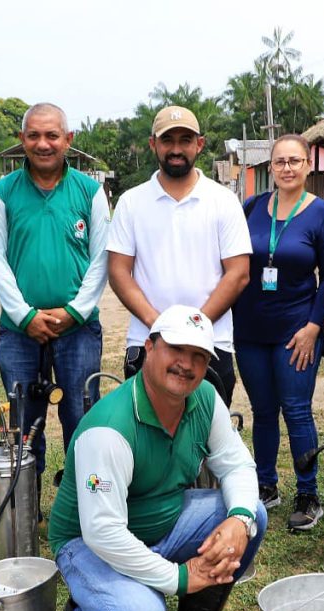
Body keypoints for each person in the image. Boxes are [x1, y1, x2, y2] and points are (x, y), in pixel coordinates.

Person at [48, 305, 267, 611]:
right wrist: (179, 578)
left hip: (163, 523)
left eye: (198, 356)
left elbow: (236, 464)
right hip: (88, 543)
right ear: (149, 347)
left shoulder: (206, 399)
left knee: (252, 515)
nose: (186, 364)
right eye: (176, 350)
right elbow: (103, 531)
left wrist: (239, 518)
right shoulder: (109, 429)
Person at [0, 103, 110, 483]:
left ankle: (83, 506)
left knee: (83, 418)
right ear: (21, 140)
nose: (43, 143)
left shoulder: (90, 192)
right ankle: (24, 510)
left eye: (52, 135)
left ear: (68, 140)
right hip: (20, 332)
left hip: (78, 330)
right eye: (34, 135)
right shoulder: (2, 192)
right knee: (23, 422)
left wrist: (75, 311)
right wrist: (24, 316)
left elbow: (101, 258)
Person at [232, 134, 324, 531]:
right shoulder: (253, 207)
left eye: (295, 161)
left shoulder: (322, 213)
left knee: (296, 410)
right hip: (250, 329)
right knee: (263, 412)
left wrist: (315, 326)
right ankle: (265, 486)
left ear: (308, 165)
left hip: (297, 331)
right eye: (280, 162)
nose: (287, 168)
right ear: (270, 167)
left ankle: (307, 492)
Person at [107, 105, 250, 406]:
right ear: (153, 145)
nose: (176, 149)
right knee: (147, 439)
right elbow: (119, 272)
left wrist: (194, 328)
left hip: (211, 342)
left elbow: (238, 273)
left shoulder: (223, 201)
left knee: (208, 439)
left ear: (199, 144)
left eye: (185, 140)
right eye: (167, 140)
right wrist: (160, 327)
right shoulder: (131, 202)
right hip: (148, 341)